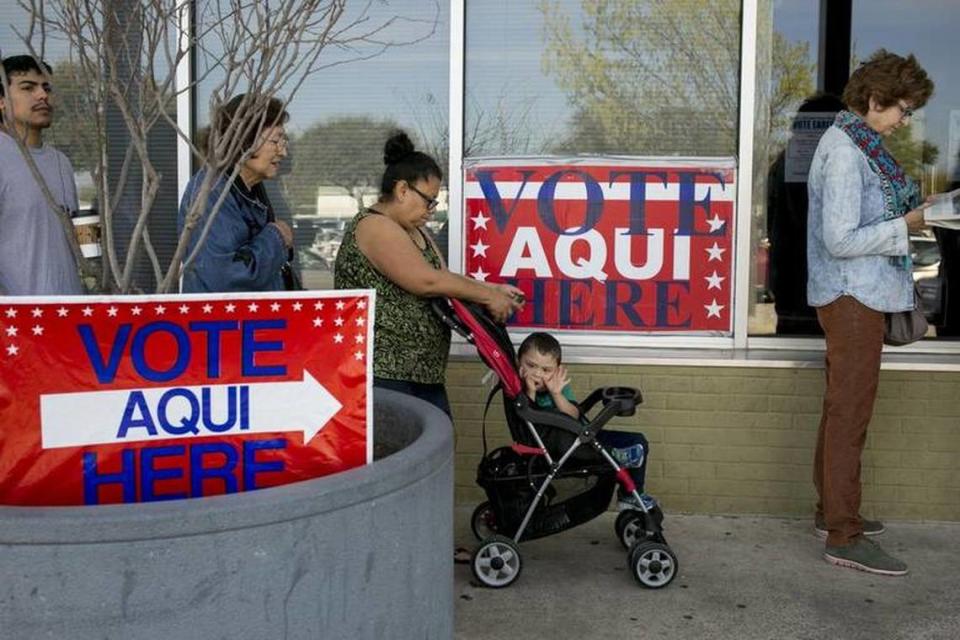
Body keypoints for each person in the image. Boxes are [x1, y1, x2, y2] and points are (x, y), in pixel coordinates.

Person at [807, 49, 933, 576]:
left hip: (857, 296)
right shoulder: (844, 152)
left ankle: (829, 513)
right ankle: (844, 534)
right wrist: (905, 226)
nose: (906, 120)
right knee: (849, 417)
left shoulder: (860, 144)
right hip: (851, 297)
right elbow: (838, 239)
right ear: (875, 100)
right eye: (902, 109)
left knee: (840, 410)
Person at [334, 131, 523, 417]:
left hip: (422, 373)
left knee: (437, 451)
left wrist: (493, 290)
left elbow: (443, 278)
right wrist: (487, 295)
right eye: (429, 200)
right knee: (408, 456)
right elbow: (427, 281)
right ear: (402, 190)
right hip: (386, 374)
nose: (432, 210)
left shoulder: (414, 230)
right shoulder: (375, 226)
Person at [516, 331, 655, 511]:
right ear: (519, 362)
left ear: (557, 371)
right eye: (531, 365)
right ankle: (613, 455)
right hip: (563, 449)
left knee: (638, 441)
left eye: (546, 370)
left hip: (582, 438)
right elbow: (530, 421)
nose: (537, 374)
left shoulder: (556, 388)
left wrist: (556, 394)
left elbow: (573, 414)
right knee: (623, 450)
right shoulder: (521, 394)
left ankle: (630, 497)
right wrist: (530, 393)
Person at [178, 93, 295, 292]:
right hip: (226, 322)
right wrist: (276, 237)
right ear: (244, 140)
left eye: (284, 142)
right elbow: (225, 276)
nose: (283, 152)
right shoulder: (212, 193)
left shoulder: (247, 188)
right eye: (275, 142)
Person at [0, 55, 83, 295]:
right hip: (17, 323)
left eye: (46, 87)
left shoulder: (61, 163)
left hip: (68, 315)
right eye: (28, 88)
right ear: (2, 100)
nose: (42, 95)